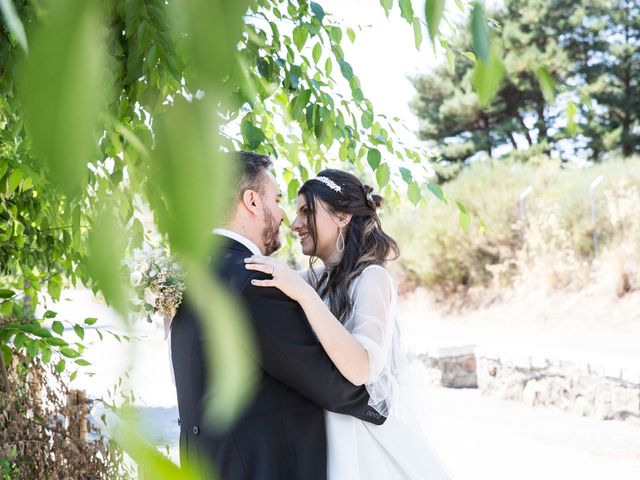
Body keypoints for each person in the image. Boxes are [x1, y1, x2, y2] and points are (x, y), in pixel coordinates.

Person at [169, 153, 386, 480]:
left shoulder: (196, 272)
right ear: (252, 202)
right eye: (278, 199)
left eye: (304, 211)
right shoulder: (254, 280)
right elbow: (323, 380)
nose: (288, 218)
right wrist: (378, 409)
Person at [245, 169, 451, 479]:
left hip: (359, 442)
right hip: (320, 435)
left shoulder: (372, 279)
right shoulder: (318, 280)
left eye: (307, 211)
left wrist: (303, 293)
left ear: (342, 216)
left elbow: (362, 367)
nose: (295, 223)